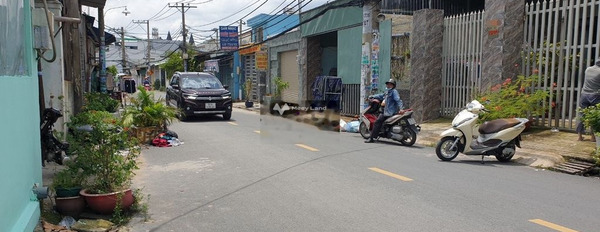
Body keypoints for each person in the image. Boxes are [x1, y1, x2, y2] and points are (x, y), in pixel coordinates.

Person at [365, 79, 404, 143]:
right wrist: (372, 96)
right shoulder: (387, 92)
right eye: (388, 84)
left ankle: (371, 138)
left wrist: (401, 108)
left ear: (393, 85)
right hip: (387, 111)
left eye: (390, 84)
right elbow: (381, 96)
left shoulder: (394, 92)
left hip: (389, 112)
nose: (388, 85)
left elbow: (398, 100)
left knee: (377, 122)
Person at [577, 59, 600, 141]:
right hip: (595, 95)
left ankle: (579, 136)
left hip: (584, 95)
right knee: (594, 115)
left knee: (581, 115)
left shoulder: (588, 69)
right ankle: (593, 137)